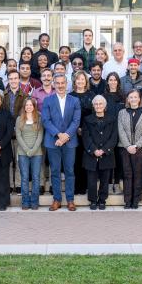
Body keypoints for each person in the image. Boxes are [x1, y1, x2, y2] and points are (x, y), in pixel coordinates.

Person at [41, 72, 81, 211]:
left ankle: (70, 200)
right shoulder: (48, 100)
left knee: (70, 171)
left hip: (70, 142)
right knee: (55, 171)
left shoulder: (74, 101)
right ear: (53, 84)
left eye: (62, 83)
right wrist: (59, 135)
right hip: (53, 141)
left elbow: (76, 121)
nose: (60, 85)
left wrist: (66, 136)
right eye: (57, 83)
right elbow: (45, 120)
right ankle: (57, 199)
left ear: (67, 84)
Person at [80, 95, 117, 210]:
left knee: (105, 180)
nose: (98, 106)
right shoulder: (87, 120)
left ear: (105, 106)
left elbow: (114, 137)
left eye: (101, 104)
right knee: (91, 180)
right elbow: (86, 137)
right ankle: (92, 200)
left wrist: (104, 150)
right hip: (91, 155)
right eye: (96, 104)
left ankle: (102, 200)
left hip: (107, 155)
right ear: (93, 106)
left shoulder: (112, 119)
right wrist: (94, 150)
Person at [117, 90, 142, 209]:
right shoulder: (122, 113)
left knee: (138, 174)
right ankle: (128, 201)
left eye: (135, 97)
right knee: (127, 174)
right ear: (127, 99)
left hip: (140, 148)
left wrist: (136, 145)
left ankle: (135, 200)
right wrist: (128, 146)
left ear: (139, 99)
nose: (133, 99)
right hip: (124, 148)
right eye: (130, 97)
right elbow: (120, 130)